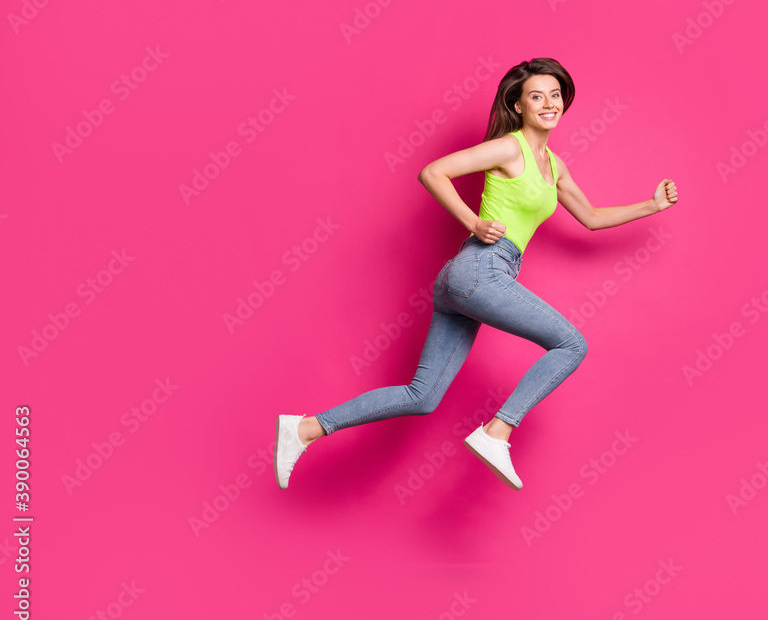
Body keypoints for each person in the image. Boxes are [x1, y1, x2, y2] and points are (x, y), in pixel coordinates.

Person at [275, 57, 678, 491]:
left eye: (555, 95)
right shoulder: (510, 147)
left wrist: (651, 206)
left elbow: (593, 217)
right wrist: (473, 222)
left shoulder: (553, 165)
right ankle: (497, 432)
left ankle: (304, 429)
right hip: (482, 268)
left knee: (422, 396)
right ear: (519, 106)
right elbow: (434, 172)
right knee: (571, 344)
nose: (548, 103)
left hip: (468, 278)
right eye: (536, 96)